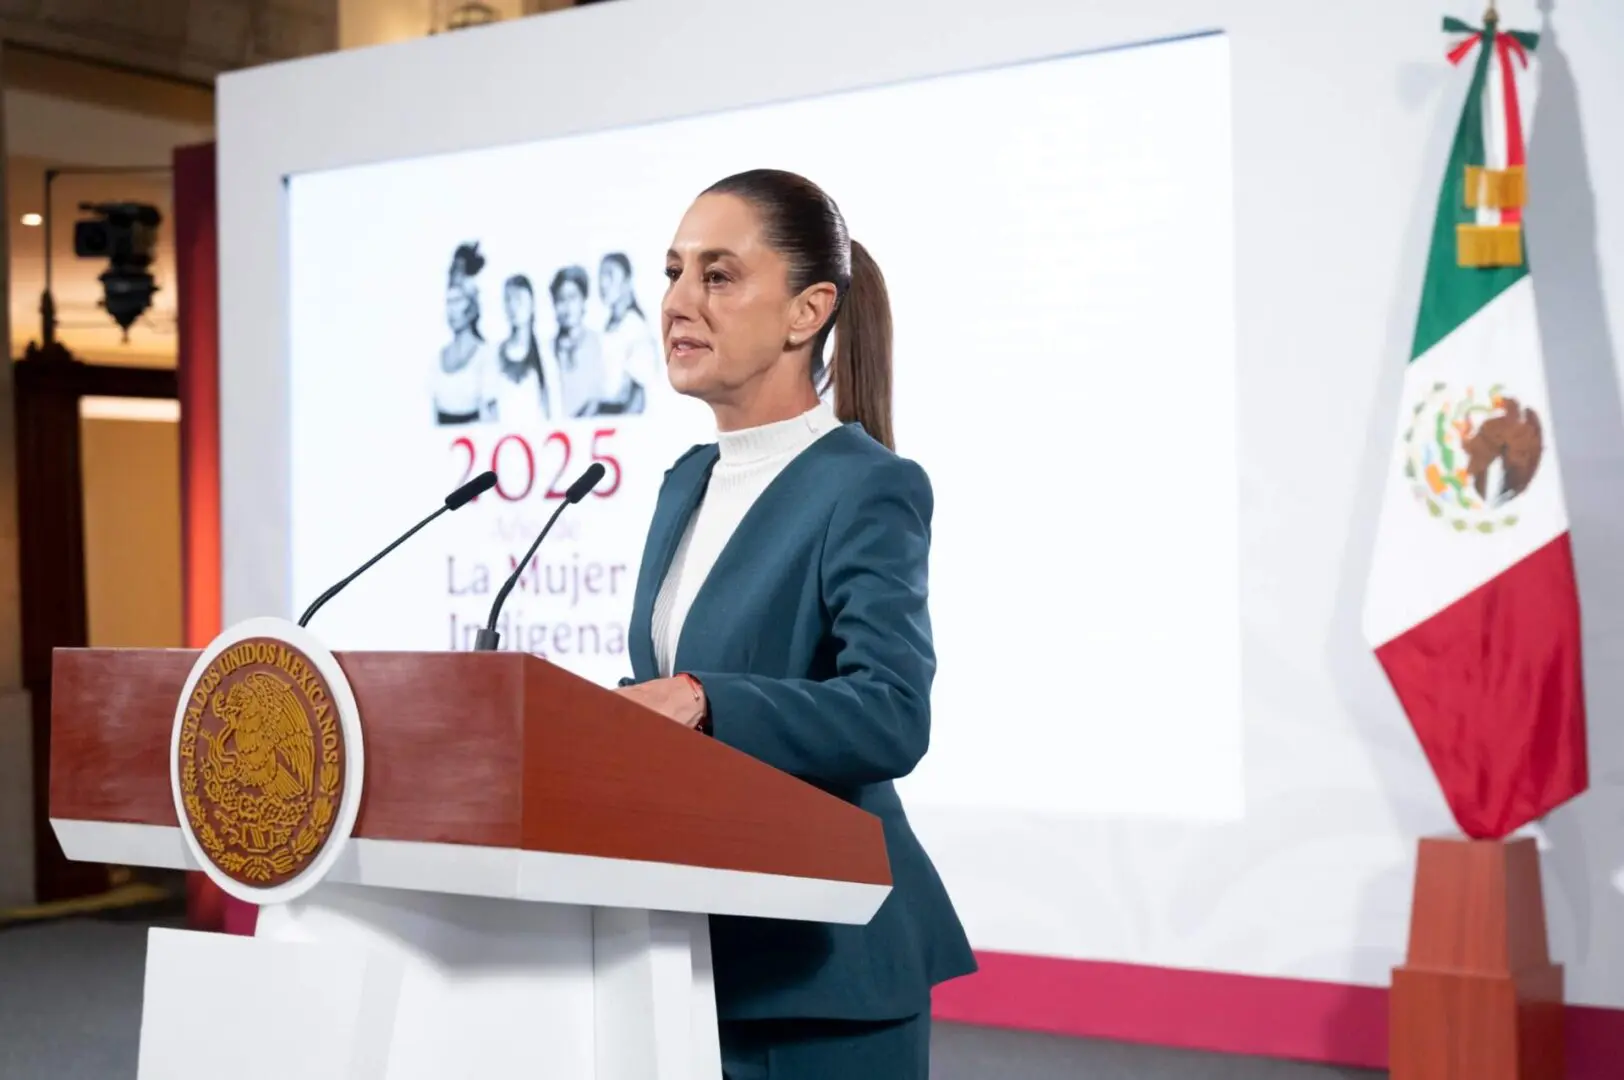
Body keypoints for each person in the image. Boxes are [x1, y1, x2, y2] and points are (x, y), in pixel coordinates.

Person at [615, 168, 975, 1079]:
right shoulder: (684, 484)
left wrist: (705, 700)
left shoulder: (867, 485)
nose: (678, 302)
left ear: (807, 311)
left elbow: (893, 711)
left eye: (719, 275)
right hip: (693, 958)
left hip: (824, 972)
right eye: (671, 272)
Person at [432, 242, 496, 425]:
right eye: (449, 301)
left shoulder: (486, 357)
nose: (452, 309)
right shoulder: (436, 361)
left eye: (458, 300)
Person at [596, 252, 657, 414]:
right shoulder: (608, 327)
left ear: (627, 281)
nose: (603, 283)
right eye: (601, 276)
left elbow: (638, 396)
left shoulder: (635, 327)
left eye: (610, 275)